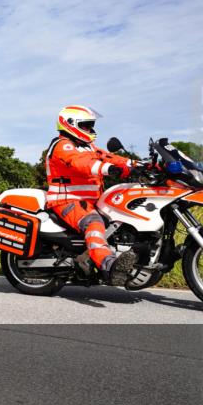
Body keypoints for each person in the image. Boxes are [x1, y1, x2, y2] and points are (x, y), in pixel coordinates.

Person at [45, 105, 138, 284]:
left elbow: (110, 158)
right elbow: (81, 164)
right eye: (86, 125)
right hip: (68, 201)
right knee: (93, 223)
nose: (90, 129)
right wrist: (110, 169)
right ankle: (109, 265)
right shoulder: (63, 145)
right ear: (70, 124)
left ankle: (90, 257)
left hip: (90, 202)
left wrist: (140, 165)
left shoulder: (88, 147)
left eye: (91, 125)